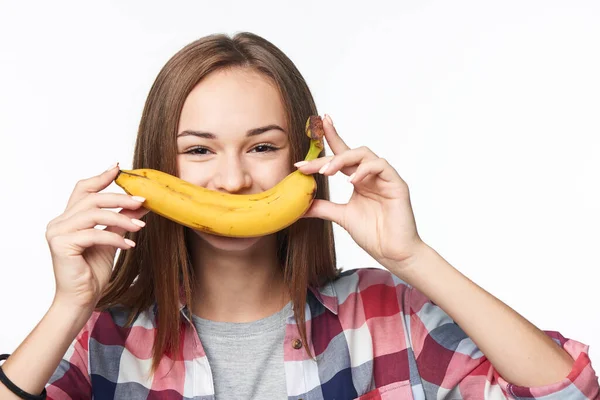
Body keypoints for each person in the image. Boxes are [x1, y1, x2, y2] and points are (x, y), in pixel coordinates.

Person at [0, 32, 598, 400]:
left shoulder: (387, 317)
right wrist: (68, 306)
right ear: (160, 167)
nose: (233, 181)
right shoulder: (102, 338)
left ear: (302, 159)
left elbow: (568, 393)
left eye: (262, 147)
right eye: (198, 150)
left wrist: (414, 258)